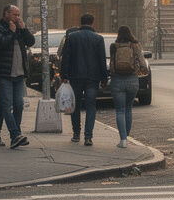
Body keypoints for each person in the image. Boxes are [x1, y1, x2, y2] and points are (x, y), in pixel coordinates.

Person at [0, 5, 35, 149]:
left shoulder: (19, 29)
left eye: (19, 15)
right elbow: (2, 44)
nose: (18, 18)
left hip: (19, 74)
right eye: (15, 15)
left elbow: (31, 42)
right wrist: (11, 31)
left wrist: (24, 29)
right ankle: (15, 135)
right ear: (6, 14)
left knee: (17, 105)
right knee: (7, 104)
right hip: (3, 74)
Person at [60, 12, 108, 146]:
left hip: (75, 77)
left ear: (80, 23)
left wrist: (64, 75)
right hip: (92, 78)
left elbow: (66, 58)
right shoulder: (98, 39)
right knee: (90, 106)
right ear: (93, 23)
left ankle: (76, 134)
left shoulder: (72, 37)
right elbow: (102, 60)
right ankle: (88, 136)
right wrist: (104, 78)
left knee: (75, 106)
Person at [108, 25, 148, 149]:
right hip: (132, 80)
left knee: (120, 110)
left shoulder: (114, 46)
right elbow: (142, 64)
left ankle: (123, 139)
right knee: (128, 109)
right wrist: (141, 71)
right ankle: (127, 136)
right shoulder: (135, 45)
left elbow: (111, 65)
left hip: (117, 80)